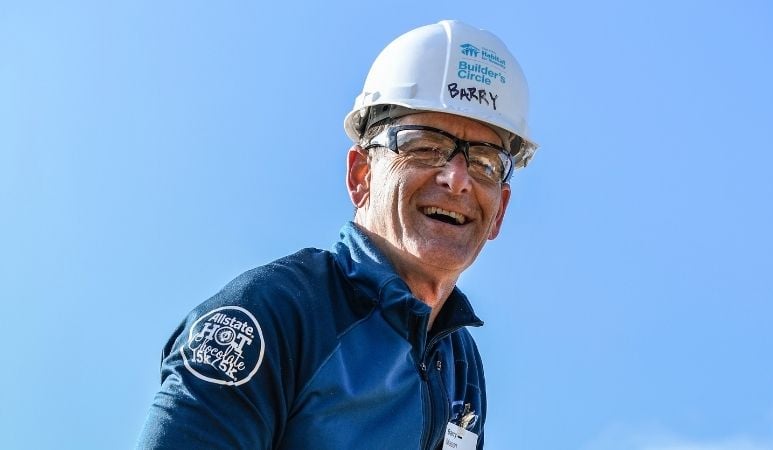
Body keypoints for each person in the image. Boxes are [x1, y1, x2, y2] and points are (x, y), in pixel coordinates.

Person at [136, 19, 537, 450]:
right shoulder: (272, 315)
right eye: (425, 145)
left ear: (500, 211)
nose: (457, 178)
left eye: (484, 163)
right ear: (361, 175)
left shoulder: (461, 363)